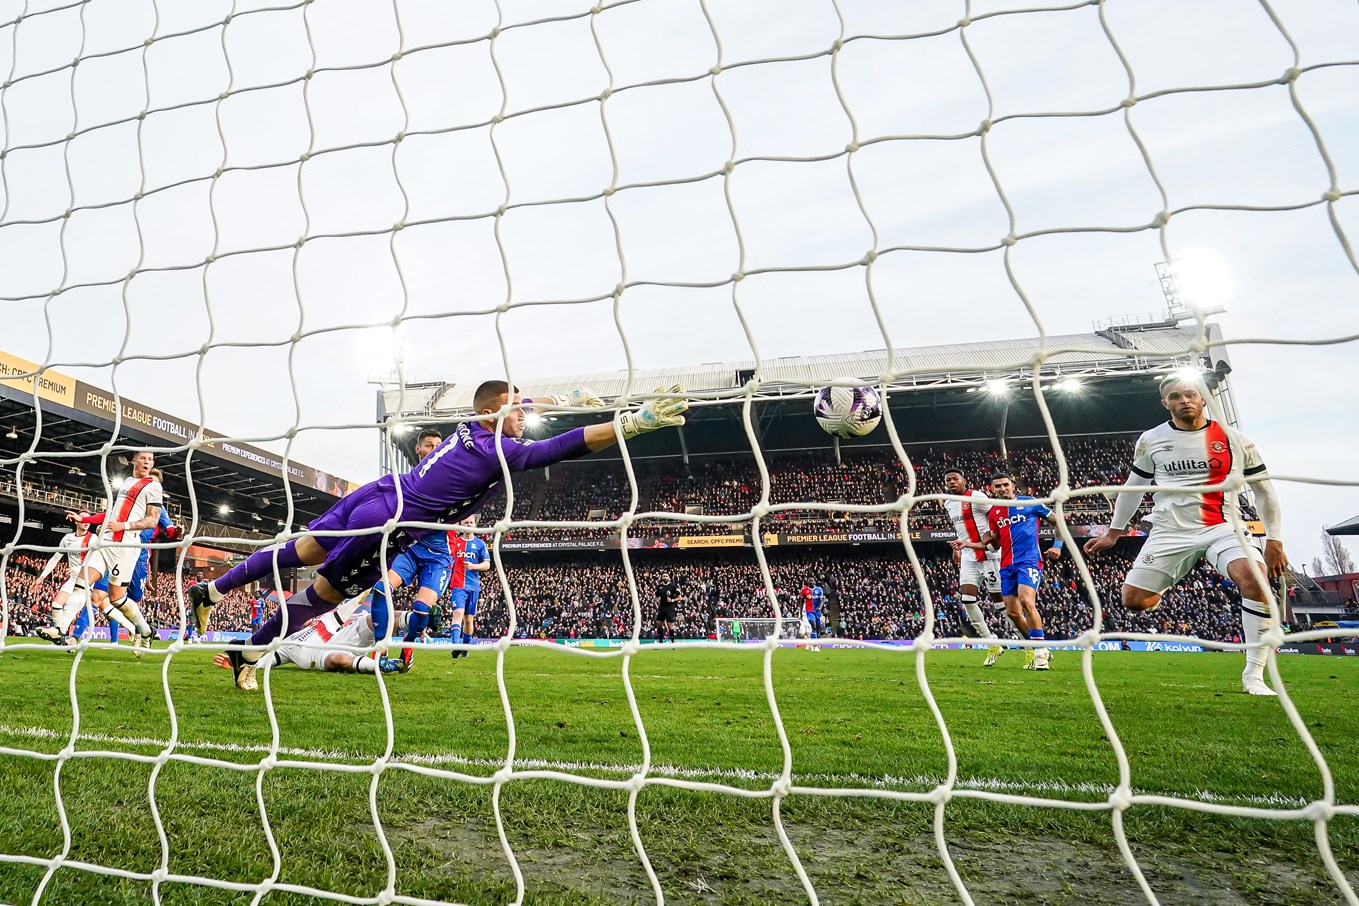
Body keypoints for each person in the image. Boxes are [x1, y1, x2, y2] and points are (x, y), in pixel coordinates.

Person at [196, 381, 686, 690]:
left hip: (380, 492)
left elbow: (524, 406)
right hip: (394, 522)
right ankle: (246, 653)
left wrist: (569, 399)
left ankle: (211, 590)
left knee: (300, 549)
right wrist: (631, 424)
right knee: (321, 594)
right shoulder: (501, 451)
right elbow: (562, 446)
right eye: (518, 413)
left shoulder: (468, 424)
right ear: (497, 411)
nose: (525, 421)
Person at [1083, 373, 1288, 696]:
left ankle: (1254, 674)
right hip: (1170, 531)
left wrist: (1274, 539)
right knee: (1134, 601)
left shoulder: (1237, 440)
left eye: (1190, 394)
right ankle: (1175, 572)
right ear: (1165, 403)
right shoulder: (1151, 439)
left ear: (1203, 398)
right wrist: (1114, 533)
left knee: (1256, 579)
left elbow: (1264, 491)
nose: (1184, 400)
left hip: (1223, 527)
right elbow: (1132, 489)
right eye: (1176, 396)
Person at [52, 452, 163, 656]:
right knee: (82, 584)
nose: (147, 461)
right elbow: (110, 514)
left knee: (116, 599)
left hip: (126, 547)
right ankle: (60, 630)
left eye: (151, 459)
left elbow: (152, 521)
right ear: (134, 461)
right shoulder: (127, 481)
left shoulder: (153, 486)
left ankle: (146, 631)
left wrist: (123, 525)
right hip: (106, 542)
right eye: (143, 458)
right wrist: (86, 518)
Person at [955, 472, 1067, 671]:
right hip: (1006, 566)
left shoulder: (1032, 502)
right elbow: (993, 546)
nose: (1002, 489)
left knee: (1026, 601)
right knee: (1013, 613)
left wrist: (1057, 545)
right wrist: (969, 544)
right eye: (997, 486)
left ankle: (1040, 654)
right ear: (992, 489)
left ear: (1013, 486)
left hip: (1029, 561)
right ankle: (1039, 647)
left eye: (1005, 485)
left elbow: (1059, 522)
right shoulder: (994, 513)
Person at [365, 429, 448, 672]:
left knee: (421, 609)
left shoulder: (451, 479)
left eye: (439, 445)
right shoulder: (406, 481)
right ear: (418, 450)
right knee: (381, 589)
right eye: (429, 445)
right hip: (410, 550)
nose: (435, 449)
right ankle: (380, 652)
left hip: (437, 558)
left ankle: (407, 649)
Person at [214, 604, 406, 676]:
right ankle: (381, 666)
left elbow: (347, 608)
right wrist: (236, 663)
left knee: (374, 617)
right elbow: (264, 662)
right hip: (323, 655)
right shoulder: (285, 646)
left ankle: (415, 618)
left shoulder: (320, 619)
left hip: (344, 636)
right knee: (336, 660)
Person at [943, 468, 1010, 667]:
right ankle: (991, 642)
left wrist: (994, 538)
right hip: (968, 555)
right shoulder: (948, 502)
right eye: (948, 480)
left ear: (964, 481)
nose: (951, 482)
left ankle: (1026, 641)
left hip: (989, 555)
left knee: (1000, 603)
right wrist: (958, 547)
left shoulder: (977, 496)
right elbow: (960, 527)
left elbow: (997, 515)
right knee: (967, 599)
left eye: (955, 479)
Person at [34, 512, 97, 646]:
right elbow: (56, 557)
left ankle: (61, 635)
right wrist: (42, 576)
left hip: (86, 580)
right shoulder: (67, 538)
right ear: (76, 522)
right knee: (56, 605)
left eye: (88, 520)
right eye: (83, 520)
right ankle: (60, 638)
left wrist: (80, 567)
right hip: (72, 578)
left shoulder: (93, 539)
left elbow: (96, 561)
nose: (86, 522)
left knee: (71, 610)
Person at [448, 516, 490, 659]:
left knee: (469, 620)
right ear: (461, 524)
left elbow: (487, 564)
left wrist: (474, 566)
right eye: (466, 522)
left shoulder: (480, 544)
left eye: (471, 522)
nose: (469, 525)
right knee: (458, 613)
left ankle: (465, 649)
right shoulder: (455, 543)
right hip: (458, 586)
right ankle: (455, 645)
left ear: (475, 525)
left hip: (473, 587)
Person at [655, 572, 681, 642]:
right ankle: (660, 642)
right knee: (659, 623)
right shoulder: (659, 587)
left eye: (666, 576)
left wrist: (672, 600)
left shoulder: (673, 586)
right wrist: (657, 601)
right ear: (662, 578)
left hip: (670, 607)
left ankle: (672, 642)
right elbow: (656, 596)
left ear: (669, 578)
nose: (665, 577)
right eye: (664, 576)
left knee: (670, 625)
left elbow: (680, 597)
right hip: (662, 607)